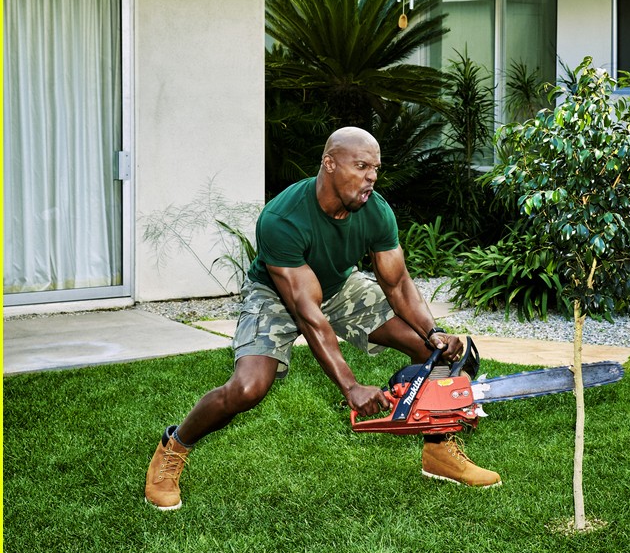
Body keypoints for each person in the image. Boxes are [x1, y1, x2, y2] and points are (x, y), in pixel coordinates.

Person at [144, 127, 501, 509]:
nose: (371, 178)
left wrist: (434, 333)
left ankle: (438, 450)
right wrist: (351, 387)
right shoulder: (282, 218)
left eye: (375, 169)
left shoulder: (375, 211)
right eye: (361, 166)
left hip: (339, 286)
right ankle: (173, 447)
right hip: (277, 295)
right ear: (329, 164)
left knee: (434, 355)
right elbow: (309, 316)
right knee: (248, 388)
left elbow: (397, 286)